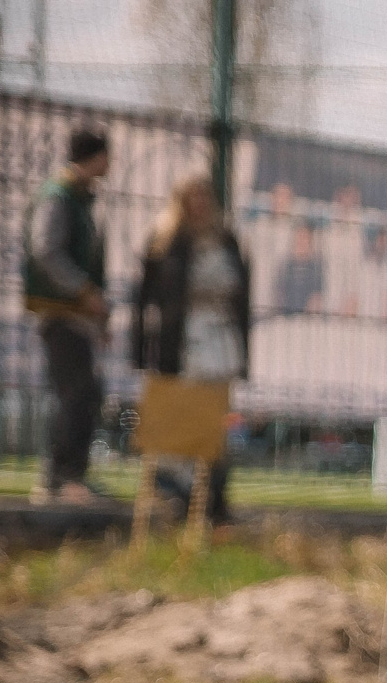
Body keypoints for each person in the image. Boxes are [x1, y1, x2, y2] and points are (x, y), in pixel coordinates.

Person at [131, 174, 251, 526]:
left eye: (204, 196)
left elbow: (241, 296)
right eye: (191, 196)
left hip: (220, 343)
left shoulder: (226, 240)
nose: (198, 203)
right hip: (179, 344)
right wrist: (140, 349)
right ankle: (174, 496)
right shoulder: (166, 240)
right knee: (176, 421)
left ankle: (212, 501)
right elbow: (145, 299)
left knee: (214, 422)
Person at [23, 127, 111, 504]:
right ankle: (61, 477)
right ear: (96, 156)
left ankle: (69, 474)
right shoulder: (59, 196)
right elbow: (46, 250)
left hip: (76, 316)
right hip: (60, 314)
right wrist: (82, 291)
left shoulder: (77, 197)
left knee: (84, 393)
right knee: (74, 393)